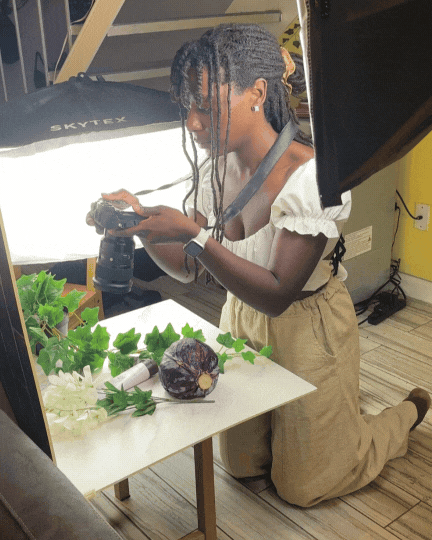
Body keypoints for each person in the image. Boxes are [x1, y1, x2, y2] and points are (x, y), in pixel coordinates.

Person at [87, 23, 431, 507]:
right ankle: (322, 423)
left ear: (257, 93)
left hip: (308, 326)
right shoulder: (215, 168)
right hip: (240, 318)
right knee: (242, 465)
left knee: (305, 486)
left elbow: (276, 294)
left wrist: (192, 234)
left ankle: (405, 415)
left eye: (205, 107)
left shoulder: (311, 177)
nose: (193, 123)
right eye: (186, 107)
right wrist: (143, 227)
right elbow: (189, 269)